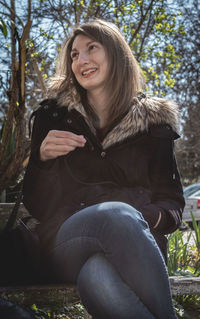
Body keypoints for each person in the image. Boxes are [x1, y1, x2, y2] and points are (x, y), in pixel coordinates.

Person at [23, 19, 185, 319]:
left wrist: (142, 218)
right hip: (66, 240)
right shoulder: (54, 116)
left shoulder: (155, 125)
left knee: (97, 278)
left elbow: (173, 203)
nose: (81, 60)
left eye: (91, 48)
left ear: (116, 53)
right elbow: (36, 205)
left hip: (138, 247)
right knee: (116, 214)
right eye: (74, 55)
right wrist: (42, 160)